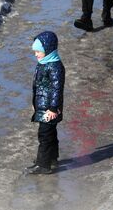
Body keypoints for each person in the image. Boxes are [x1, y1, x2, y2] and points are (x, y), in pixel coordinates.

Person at [25, 31, 65, 175]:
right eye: (35, 51)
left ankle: (43, 164)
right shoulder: (43, 63)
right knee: (51, 133)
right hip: (43, 105)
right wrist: (35, 103)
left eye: (38, 51)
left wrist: (53, 108)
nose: (36, 54)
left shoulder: (55, 66)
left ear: (48, 50)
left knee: (45, 135)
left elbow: (56, 89)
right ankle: (52, 158)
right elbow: (39, 86)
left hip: (49, 108)